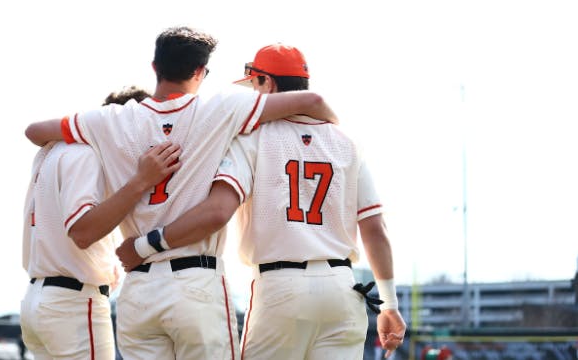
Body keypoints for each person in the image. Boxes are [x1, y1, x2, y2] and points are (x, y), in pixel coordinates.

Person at [24, 27, 339, 360]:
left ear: (155, 67)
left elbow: (35, 131)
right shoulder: (220, 108)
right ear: (200, 72)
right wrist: (333, 133)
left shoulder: (109, 119)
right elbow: (313, 101)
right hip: (196, 281)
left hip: (139, 285)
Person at [118, 44, 407, 359]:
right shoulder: (346, 141)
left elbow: (217, 211)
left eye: (254, 84)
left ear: (267, 83)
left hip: (280, 286)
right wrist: (389, 304)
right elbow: (376, 229)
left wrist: (145, 246)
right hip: (341, 287)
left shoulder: (253, 136)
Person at [20, 87, 181, 360]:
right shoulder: (87, 153)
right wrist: (141, 181)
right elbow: (82, 232)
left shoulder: (52, 150)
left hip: (39, 300)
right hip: (72, 303)